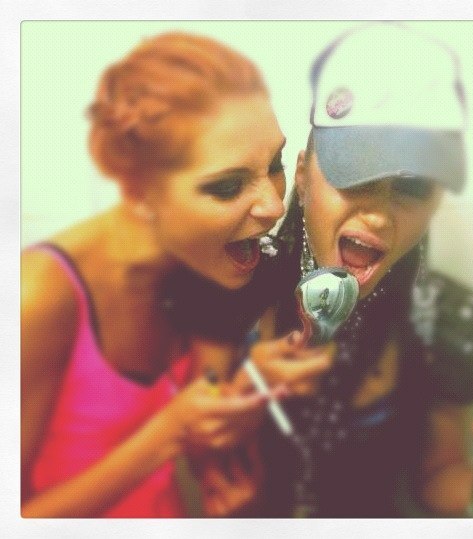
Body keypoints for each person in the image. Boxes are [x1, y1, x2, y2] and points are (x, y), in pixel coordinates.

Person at [20, 31, 334, 518]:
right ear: (139, 189)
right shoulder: (39, 295)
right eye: (226, 186)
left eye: (273, 163)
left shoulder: (196, 260)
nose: (275, 205)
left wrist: (246, 389)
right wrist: (167, 434)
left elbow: (182, 420)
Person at [254, 23, 473, 518]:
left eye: (411, 186)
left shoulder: (442, 327)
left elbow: (440, 475)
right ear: (303, 174)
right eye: (356, 176)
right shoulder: (234, 288)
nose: (377, 216)